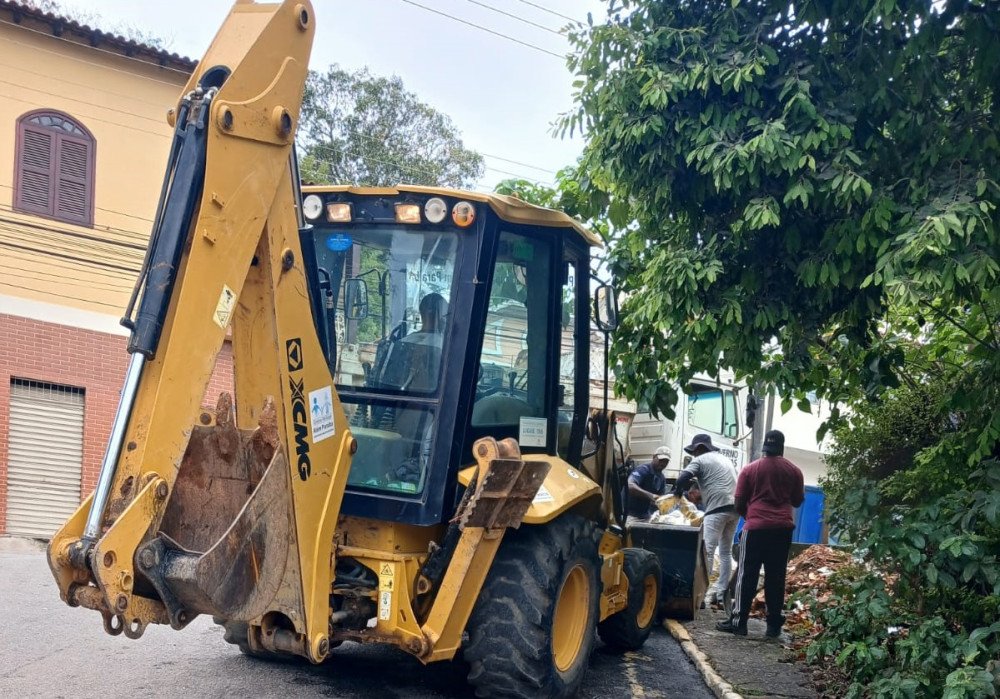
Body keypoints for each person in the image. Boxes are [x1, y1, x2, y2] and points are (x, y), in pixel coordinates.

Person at [717, 430, 805, 638]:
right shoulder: (794, 471)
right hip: (782, 530)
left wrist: (752, 517)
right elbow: (797, 501)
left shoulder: (749, 469)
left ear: (765, 447)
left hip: (755, 529)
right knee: (776, 577)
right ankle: (773, 626)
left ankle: (739, 623)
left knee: (747, 574)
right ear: (782, 448)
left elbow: (739, 502)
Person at [672, 433, 738, 605]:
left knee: (707, 551)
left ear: (699, 449)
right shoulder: (725, 460)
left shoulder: (701, 460)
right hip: (735, 509)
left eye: (694, 452)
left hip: (717, 508)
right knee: (725, 552)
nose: (694, 455)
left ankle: (701, 595)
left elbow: (683, 477)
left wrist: (677, 492)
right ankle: (721, 594)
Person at [625, 446, 670, 525]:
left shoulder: (662, 478)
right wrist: (651, 496)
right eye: (661, 460)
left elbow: (659, 501)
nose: (663, 463)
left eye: (666, 461)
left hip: (646, 516)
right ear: (654, 457)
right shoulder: (643, 470)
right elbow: (630, 486)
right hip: (630, 515)